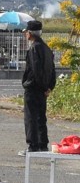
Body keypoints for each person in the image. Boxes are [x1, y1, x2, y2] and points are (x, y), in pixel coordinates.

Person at [18, 20, 56, 157]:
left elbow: (35, 70)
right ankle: (42, 144)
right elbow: (52, 70)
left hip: (34, 87)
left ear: (30, 33)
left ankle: (32, 145)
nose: (25, 35)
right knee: (41, 117)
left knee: (30, 117)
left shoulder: (34, 48)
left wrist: (40, 85)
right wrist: (49, 87)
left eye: (26, 32)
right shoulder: (46, 48)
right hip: (44, 89)